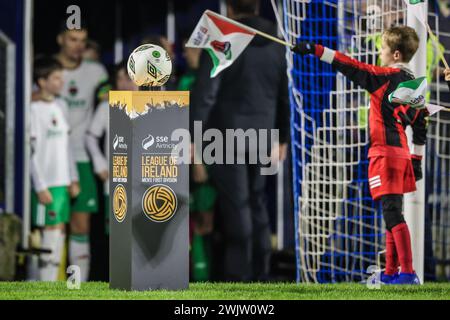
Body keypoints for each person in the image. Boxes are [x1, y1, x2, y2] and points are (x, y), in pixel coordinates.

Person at [293, 26, 428, 285]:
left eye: (383, 48)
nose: (379, 52)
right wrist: (417, 160)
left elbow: (350, 65)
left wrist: (314, 49)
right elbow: (421, 126)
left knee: (391, 214)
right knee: (392, 211)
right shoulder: (416, 89)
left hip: (385, 155)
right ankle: (390, 273)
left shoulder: (385, 77)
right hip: (401, 154)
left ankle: (408, 273)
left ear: (396, 54)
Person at [190, 0, 290, 281]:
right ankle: (261, 273)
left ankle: (239, 277)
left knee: (237, 206)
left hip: (224, 137)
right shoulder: (277, 42)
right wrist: (281, 137)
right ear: (257, 7)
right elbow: (285, 95)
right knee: (256, 203)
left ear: (229, 9)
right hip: (264, 136)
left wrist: (193, 136)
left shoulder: (223, 39)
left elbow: (206, 94)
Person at [56, 23, 108, 281]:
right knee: (52, 226)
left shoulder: (97, 72)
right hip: (50, 159)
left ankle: (76, 290)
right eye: (73, 39)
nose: (78, 46)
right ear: (60, 40)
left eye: (82, 41)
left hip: (82, 160)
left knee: (81, 227)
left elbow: (110, 98)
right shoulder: (45, 70)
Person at [30, 57, 80, 281]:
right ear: (42, 81)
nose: (61, 82)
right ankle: (37, 283)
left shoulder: (61, 106)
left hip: (61, 182)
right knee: (42, 235)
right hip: (45, 184)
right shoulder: (32, 109)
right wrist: (39, 185)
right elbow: (29, 152)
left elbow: (66, 145)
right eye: (56, 78)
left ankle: (51, 285)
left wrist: (72, 177)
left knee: (58, 231)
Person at [85, 61, 138, 235]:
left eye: (128, 78)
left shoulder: (156, 105)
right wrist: (99, 162)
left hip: (145, 186)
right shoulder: (106, 106)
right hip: (115, 184)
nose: (123, 84)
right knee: (118, 238)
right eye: (119, 78)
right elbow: (90, 137)